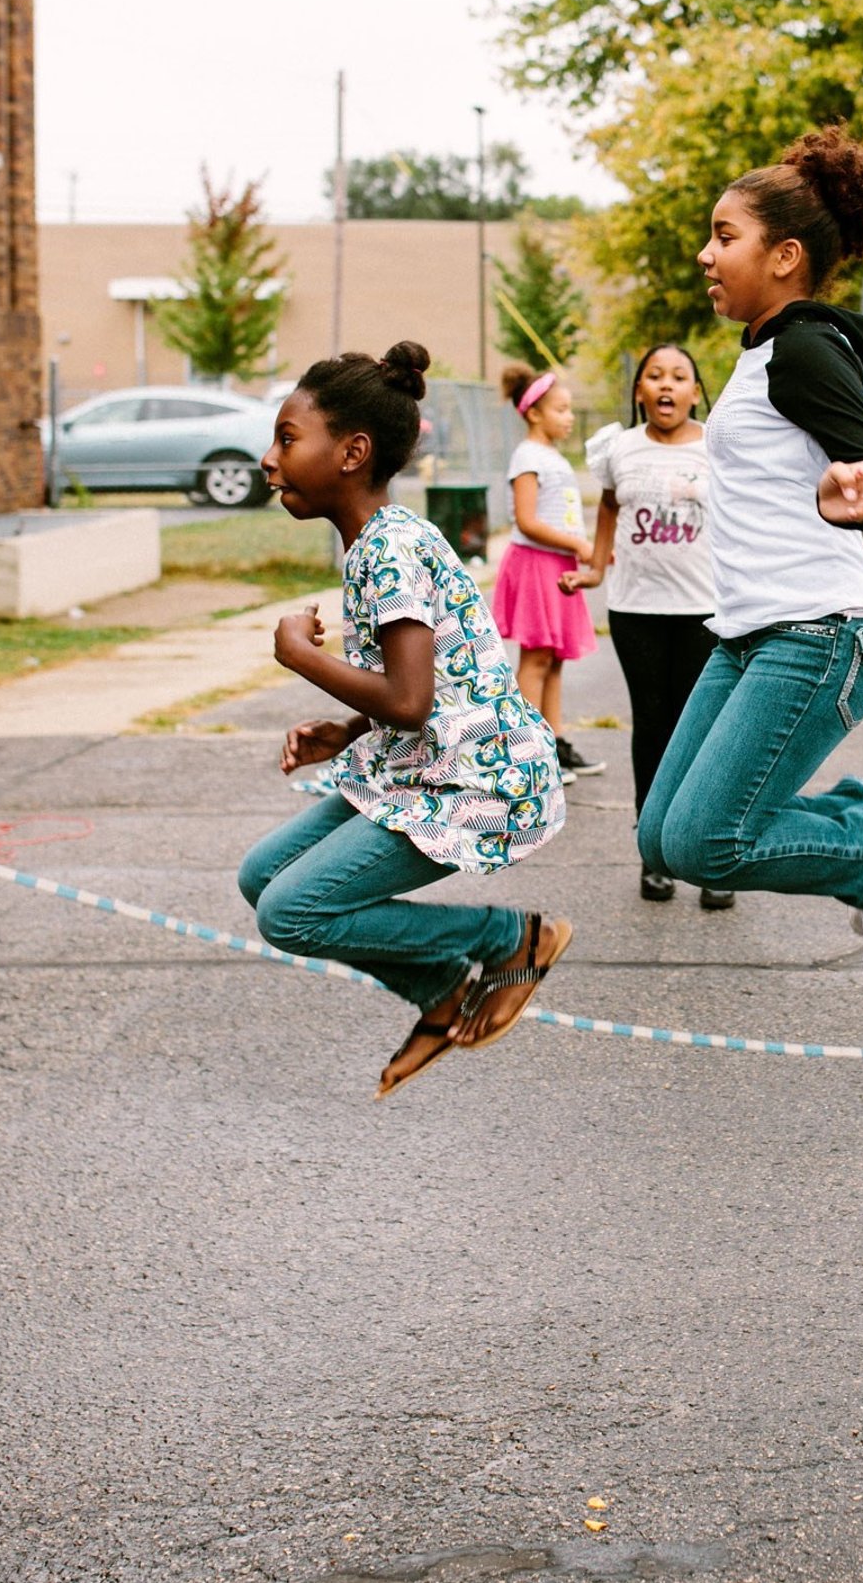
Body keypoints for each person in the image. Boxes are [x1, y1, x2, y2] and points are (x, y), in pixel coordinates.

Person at [634, 125, 863, 986]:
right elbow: (798, 478)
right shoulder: (765, 352)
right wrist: (821, 492)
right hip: (749, 633)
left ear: (786, 256)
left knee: (709, 841)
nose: (706, 254)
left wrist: (857, 494)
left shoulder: (805, 349)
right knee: (661, 835)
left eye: (725, 236)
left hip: (818, 633)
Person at [240, 345, 571, 1100]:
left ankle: (508, 938)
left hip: (476, 779)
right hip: (423, 761)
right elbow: (426, 683)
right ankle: (443, 993)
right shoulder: (378, 542)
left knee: (290, 913)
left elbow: (411, 702)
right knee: (260, 878)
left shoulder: (389, 547)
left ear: (352, 453)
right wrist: (348, 731)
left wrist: (297, 654)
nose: (269, 459)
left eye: (287, 438)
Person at [561, 344, 734, 909]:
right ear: (639, 391)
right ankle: (653, 853)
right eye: (655, 376)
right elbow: (609, 506)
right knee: (653, 728)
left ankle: (711, 856)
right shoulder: (620, 449)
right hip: (635, 611)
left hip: (704, 613)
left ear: (695, 391)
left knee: (706, 732)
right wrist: (594, 566)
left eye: (679, 376)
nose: (666, 384)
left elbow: (741, 517)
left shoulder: (716, 448)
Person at [490, 363, 602, 783]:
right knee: (536, 659)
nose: (569, 416)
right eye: (561, 409)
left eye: (570, 409)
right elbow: (527, 520)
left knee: (554, 659)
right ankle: (526, 753)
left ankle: (554, 743)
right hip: (536, 565)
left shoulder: (550, 455)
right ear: (534, 412)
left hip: (558, 566)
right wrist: (580, 545)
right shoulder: (527, 456)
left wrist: (583, 547)